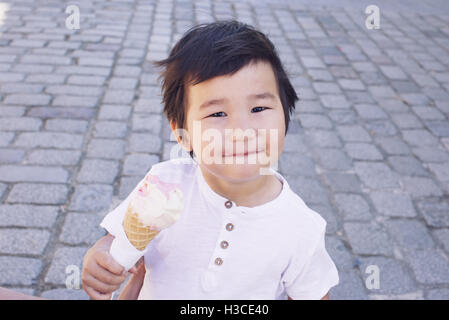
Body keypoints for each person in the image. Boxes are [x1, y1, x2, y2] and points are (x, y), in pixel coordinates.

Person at [82, 20, 339, 300]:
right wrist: (101, 258)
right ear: (182, 132)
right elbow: (118, 242)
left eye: (259, 108)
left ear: (285, 115)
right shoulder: (164, 185)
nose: (241, 132)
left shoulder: (300, 228)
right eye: (217, 114)